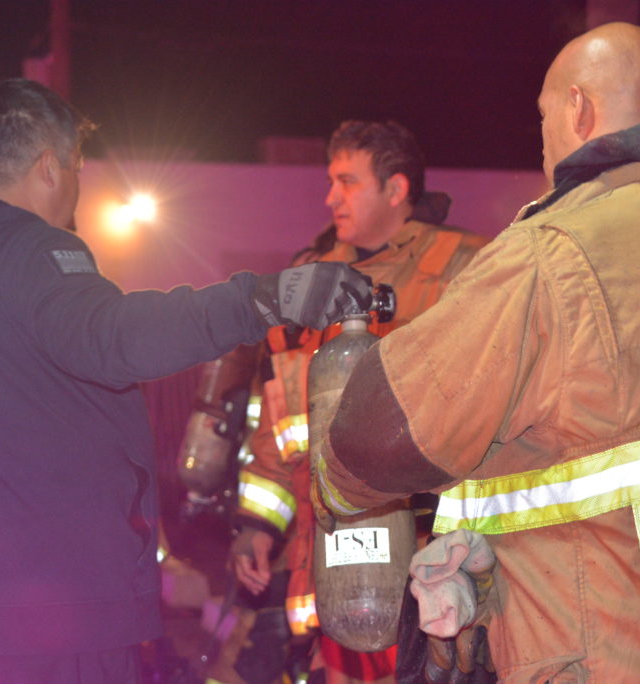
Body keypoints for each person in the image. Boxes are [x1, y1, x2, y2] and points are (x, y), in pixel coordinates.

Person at [314, 23, 640, 682]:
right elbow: (607, 464)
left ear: (578, 109)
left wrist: (334, 485)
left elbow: (388, 428)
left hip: (604, 655)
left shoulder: (555, 249)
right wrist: (486, 571)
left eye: (543, 116)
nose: (542, 138)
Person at [0, 78, 372, 684]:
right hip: (55, 627)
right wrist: (265, 299)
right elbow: (119, 336)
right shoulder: (31, 253)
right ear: (49, 167)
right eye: (77, 169)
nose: (75, 190)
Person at [228, 120, 489, 683]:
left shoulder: (465, 269)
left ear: (396, 189)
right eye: (331, 181)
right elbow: (281, 422)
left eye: (346, 182)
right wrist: (258, 525)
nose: (330, 198)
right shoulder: (307, 286)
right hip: (330, 568)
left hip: (434, 562)